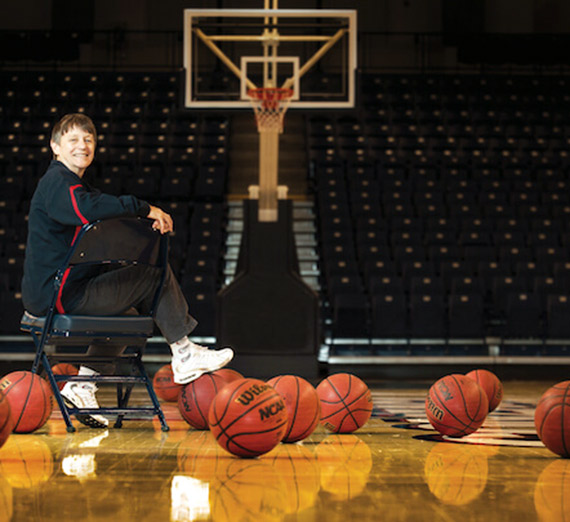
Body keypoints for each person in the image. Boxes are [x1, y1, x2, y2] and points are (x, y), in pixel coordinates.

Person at [21, 113, 233, 428]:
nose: (83, 145)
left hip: (64, 289)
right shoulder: (57, 182)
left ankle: (82, 387)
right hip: (58, 294)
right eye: (74, 139)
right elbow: (87, 209)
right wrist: (145, 208)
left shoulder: (73, 185)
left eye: (89, 139)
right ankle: (185, 353)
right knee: (149, 275)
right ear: (55, 147)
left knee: (129, 315)